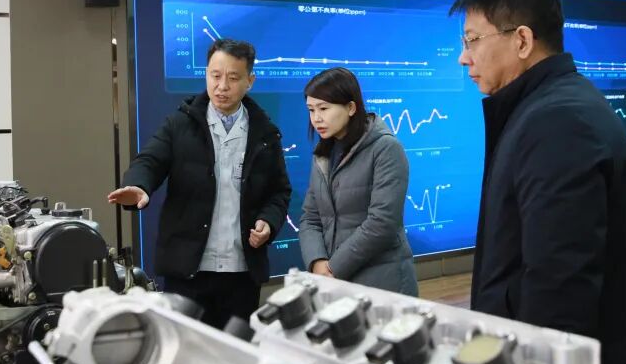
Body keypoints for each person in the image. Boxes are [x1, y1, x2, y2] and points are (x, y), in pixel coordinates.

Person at [453, 0, 626, 364]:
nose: (464, 57)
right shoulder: (543, 109)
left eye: (472, 40)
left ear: (522, 40)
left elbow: (559, 287)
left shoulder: (559, 121)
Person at [108, 38, 292, 329]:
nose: (222, 86)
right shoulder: (180, 124)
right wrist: (139, 185)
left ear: (250, 81)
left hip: (241, 273)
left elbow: (279, 192)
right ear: (206, 74)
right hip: (188, 271)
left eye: (233, 78)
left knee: (233, 351)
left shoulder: (265, 133)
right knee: (183, 349)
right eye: (215, 75)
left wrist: (268, 221)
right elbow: (150, 161)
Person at [299, 67, 418, 295]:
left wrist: (333, 268)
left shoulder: (386, 149)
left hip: (383, 282)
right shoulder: (323, 154)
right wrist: (317, 261)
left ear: (351, 108)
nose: (316, 118)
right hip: (336, 284)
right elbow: (310, 218)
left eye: (323, 108)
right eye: (311, 110)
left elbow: (382, 223)